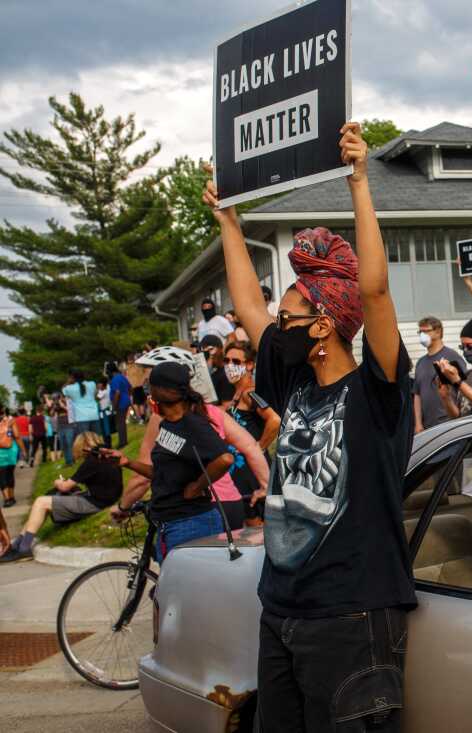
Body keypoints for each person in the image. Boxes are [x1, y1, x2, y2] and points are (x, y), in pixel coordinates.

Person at [204, 120, 415, 731]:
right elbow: (247, 307)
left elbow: (372, 292)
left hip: (351, 620)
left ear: (323, 325)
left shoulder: (377, 390)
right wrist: (228, 219)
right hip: (282, 609)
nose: (277, 323)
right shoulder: (294, 381)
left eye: (290, 315)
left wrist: (359, 181)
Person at [123, 346, 268, 532]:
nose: (147, 384)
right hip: (230, 503)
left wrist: (123, 506)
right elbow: (251, 447)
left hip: (198, 508)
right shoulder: (212, 411)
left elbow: (143, 478)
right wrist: (265, 487)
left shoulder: (164, 419)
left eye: (152, 378)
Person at [108, 362, 234, 561]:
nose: (148, 392)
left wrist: (197, 486)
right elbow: (162, 474)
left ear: (165, 391)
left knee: (187, 591)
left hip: (191, 523)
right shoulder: (167, 424)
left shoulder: (192, 424)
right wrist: (127, 462)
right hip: (169, 523)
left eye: (151, 386)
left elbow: (225, 459)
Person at [1, 431, 123, 563]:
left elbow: (65, 487)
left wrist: (58, 482)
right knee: (44, 501)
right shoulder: (106, 456)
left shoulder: (91, 461)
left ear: (81, 445)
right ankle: (17, 545)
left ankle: (23, 548)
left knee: (41, 502)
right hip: (106, 499)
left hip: (96, 503)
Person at [224, 342, 280, 525]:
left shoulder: (251, 393)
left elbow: (275, 420)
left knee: (258, 534)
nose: (229, 365)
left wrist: (259, 446)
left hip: (254, 474)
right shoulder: (236, 396)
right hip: (240, 474)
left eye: (235, 361)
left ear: (249, 365)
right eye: (226, 360)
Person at [413, 316, 465, 433]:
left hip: (448, 424)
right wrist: (418, 423)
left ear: (438, 332)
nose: (422, 335)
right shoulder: (420, 362)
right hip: (426, 427)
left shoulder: (452, 357)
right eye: (420, 332)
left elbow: (463, 389)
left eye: (425, 331)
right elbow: (417, 395)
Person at [200, 334, 236, 405]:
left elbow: (227, 406)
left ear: (221, 348)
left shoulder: (227, 373)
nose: (209, 354)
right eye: (205, 351)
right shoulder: (214, 372)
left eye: (211, 349)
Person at [62, 370, 100, 436]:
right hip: (94, 415)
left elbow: (63, 390)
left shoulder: (70, 388)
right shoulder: (92, 384)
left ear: (73, 378)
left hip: (81, 417)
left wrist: (68, 381)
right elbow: (95, 394)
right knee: (95, 439)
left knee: (84, 441)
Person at [108, 361, 132, 447]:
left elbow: (117, 393)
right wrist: (128, 396)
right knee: (122, 422)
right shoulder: (122, 376)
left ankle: (123, 442)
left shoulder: (115, 379)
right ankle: (123, 441)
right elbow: (130, 387)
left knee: (120, 423)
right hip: (126, 401)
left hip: (120, 403)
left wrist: (114, 406)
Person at [0, 410, 20, 508]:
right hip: (11, 450)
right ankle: (12, 498)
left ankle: (6, 500)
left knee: (2, 476)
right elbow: (16, 435)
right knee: (10, 474)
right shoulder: (10, 421)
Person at [127, 352, 149, 424]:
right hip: (140, 386)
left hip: (134, 387)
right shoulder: (138, 366)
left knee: (136, 404)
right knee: (141, 403)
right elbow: (145, 373)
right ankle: (143, 418)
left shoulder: (128, 369)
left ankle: (140, 419)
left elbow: (128, 379)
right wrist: (143, 381)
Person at [95, 378, 113, 445]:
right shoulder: (106, 389)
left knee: (106, 430)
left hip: (105, 413)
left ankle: (108, 444)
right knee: (105, 430)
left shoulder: (104, 391)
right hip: (104, 413)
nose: (98, 385)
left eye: (99, 384)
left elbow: (96, 398)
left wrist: (96, 390)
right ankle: (107, 443)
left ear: (102, 384)